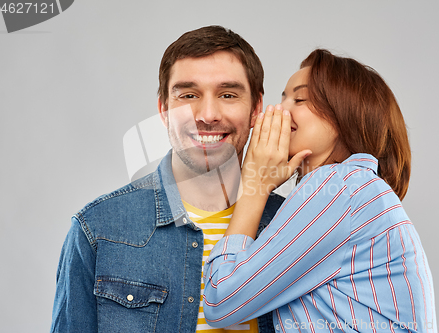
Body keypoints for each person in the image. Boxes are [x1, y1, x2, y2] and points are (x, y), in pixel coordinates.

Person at [50, 25, 283, 333]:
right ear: (163, 109)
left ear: (256, 108)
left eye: (228, 94)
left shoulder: (297, 224)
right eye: (189, 95)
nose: (208, 114)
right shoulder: (97, 230)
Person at [203, 49, 437, 332]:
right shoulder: (357, 189)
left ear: (343, 115)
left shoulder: (339, 186)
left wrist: (254, 185)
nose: (277, 111)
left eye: (300, 99)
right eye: (282, 98)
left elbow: (222, 301)